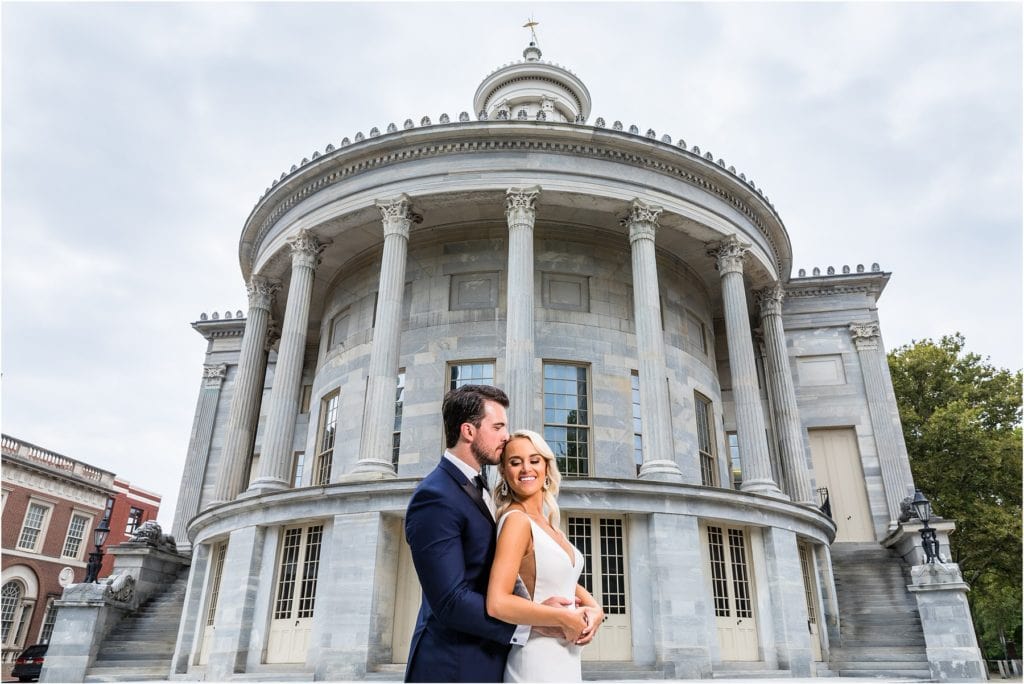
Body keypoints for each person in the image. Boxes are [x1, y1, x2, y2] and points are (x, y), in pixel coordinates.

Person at [404, 385, 585, 683]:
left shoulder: (479, 485)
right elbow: (450, 601)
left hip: (491, 660)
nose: (505, 436)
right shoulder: (435, 497)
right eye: (498, 426)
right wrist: (536, 622)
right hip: (452, 666)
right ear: (468, 431)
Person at [486, 429, 605, 682]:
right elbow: (497, 602)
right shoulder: (517, 521)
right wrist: (563, 617)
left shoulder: (548, 523)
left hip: (566, 658)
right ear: (505, 473)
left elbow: (565, 580)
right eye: (515, 462)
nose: (525, 469)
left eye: (534, 460)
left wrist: (595, 608)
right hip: (536, 661)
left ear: (546, 466)